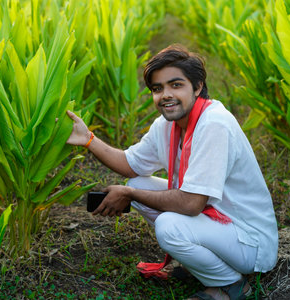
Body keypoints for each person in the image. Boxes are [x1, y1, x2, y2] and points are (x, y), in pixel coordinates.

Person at [66, 44, 278, 300]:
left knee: (169, 225)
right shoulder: (167, 125)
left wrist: (130, 193)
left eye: (176, 85)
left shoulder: (214, 124)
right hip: (218, 223)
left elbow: (190, 204)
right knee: (138, 182)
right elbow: (130, 164)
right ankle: (202, 264)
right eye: (158, 89)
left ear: (197, 87)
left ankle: (230, 285)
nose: (166, 95)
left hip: (248, 241)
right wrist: (88, 138)